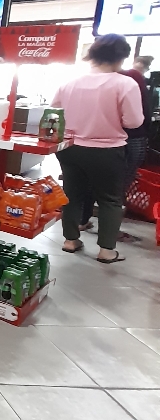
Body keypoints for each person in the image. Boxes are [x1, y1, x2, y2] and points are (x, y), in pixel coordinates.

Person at [53, 34, 144, 262]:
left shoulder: (70, 82)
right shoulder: (125, 84)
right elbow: (134, 122)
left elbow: (54, 111)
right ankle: (106, 250)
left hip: (70, 148)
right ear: (121, 57)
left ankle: (70, 240)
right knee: (110, 199)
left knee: (71, 195)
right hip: (107, 150)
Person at [119, 53, 154, 196]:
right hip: (134, 134)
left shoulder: (114, 76)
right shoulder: (135, 77)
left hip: (113, 134)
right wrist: (147, 128)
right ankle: (119, 198)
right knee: (128, 171)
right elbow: (144, 107)